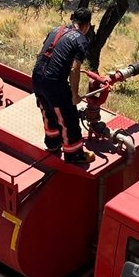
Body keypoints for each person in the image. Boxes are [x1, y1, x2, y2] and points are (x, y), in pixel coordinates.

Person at [32, 9, 94, 164]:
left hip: (37, 76)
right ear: (87, 25)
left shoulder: (56, 30)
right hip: (54, 82)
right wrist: (74, 95)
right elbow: (74, 69)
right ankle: (74, 154)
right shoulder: (81, 39)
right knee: (68, 118)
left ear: (73, 19)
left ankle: (53, 145)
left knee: (48, 112)